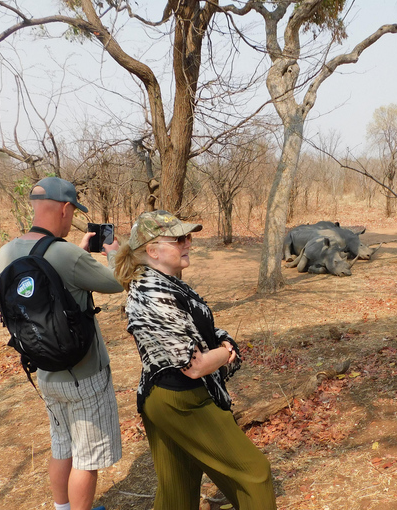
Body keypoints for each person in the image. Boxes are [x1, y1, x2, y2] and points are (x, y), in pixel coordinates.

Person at [112, 210, 277, 510]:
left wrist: (220, 342)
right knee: (255, 475)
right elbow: (194, 364)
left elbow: (202, 331)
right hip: (182, 400)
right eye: (178, 239)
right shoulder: (151, 292)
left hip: (170, 397)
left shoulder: (168, 283)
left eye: (188, 236)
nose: (188, 243)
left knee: (177, 493)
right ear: (152, 250)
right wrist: (227, 351)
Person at [0, 177, 123, 510]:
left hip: (45, 369)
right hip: (84, 372)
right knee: (87, 458)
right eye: (73, 212)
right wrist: (113, 252)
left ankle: (62, 508)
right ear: (65, 209)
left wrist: (75, 256)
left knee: (61, 447)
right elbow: (117, 282)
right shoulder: (66, 254)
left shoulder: (6, 251)